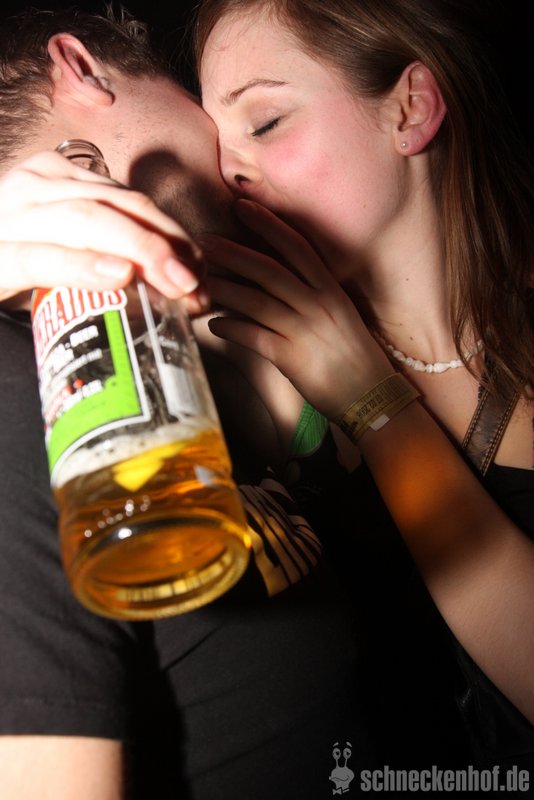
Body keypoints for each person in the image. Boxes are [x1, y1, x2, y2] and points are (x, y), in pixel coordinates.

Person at [0, 7, 374, 799]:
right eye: (198, 97)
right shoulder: (18, 378)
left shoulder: (185, 360)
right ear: (81, 67)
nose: (232, 153)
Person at [191, 0, 534, 777]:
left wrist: (375, 405)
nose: (231, 171)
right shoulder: (262, 368)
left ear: (409, 109)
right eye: (219, 148)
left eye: (265, 121)